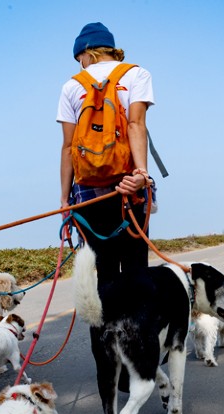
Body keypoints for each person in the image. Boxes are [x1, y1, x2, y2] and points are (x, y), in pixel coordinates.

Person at [57, 21, 156, 289]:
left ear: (88, 53)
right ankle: (139, 328)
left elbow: (68, 147)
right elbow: (136, 125)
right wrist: (142, 175)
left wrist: (65, 201)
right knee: (136, 271)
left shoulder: (71, 87)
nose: (81, 65)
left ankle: (105, 330)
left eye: (80, 59)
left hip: (88, 192)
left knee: (105, 275)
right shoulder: (137, 74)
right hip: (128, 186)